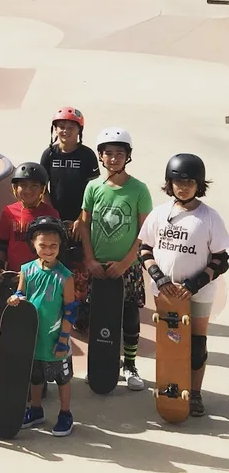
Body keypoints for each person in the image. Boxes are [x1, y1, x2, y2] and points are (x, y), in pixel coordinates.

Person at [138, 154, 229, 416]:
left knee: (196, 346)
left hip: (198, 292)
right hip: (165, 292)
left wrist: (195, 283)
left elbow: (222, 259)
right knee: (169, 343)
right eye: (178, 181)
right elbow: (145, 248)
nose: (183, 186)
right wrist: (158, 277)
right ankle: (170, 390)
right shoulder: (159, 213)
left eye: (190, 181)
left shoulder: (209, 217)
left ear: (199, 184)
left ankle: (196, 393)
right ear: (170, 183)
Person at [80, 127, 152, 390]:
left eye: (119, 153)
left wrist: (125, 263)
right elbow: (84, 226)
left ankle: (130, 364)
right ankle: (98, 362)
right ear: (100, 156)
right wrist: (89, 260)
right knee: (96, 317)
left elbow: (145, 232)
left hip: (128, 267)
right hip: (97, 265)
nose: (113, 158)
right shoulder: (93, 187)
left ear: (127, 156)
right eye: (108, 153)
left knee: (130, 316)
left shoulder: (139, 190)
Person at [7, 216, 76, 437]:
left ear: (60, 247)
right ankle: (35, 409)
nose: (48, 250)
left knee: (62, 378)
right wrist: (15, 298)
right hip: (34, 337)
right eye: (43, 245)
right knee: (35, 377)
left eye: (53, 246)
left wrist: (64, 339)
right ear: (33, 244)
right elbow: (21, 293)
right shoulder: (26, 270)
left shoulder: (65, 277)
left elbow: (70, 310)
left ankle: (65, 413)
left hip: (55, 338)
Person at [40, 106, 99, 332]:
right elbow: (43, 188)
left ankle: (81, 309)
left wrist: (80, 219)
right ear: (55, 129)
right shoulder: (49, 154)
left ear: (79, 130)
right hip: (56, 219)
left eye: (70, 126)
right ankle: (56, 308)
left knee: (80, 269)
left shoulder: (87, 155)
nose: (65, 130)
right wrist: (54, 215)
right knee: (56, 264)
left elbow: (92, 189)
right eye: (61, 126)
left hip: (80, 220)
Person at [0, 163, 59, 304]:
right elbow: (2, 243)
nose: (28, 190)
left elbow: (55, 250)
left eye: (34, 185)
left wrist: (29, 274)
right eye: (23, 185)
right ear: (15, 188)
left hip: (42, 277)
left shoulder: (50, 213)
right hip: (13, 277)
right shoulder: (9, 211)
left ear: (42, 189)